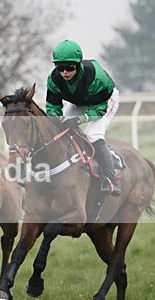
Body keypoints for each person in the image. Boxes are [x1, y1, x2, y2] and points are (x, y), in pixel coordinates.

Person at [45, 39, 122, 196]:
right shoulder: (54, 79)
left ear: (78, 64)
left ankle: (110, 179)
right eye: (60, 67)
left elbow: (99, 109)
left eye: (69, 67)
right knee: (57, 130)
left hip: (104, 101)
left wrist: (79, 120)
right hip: (79, 101)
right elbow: (53, 107)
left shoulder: (95, 77)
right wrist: (55, 118)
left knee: (93, 134)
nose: (64, 72)